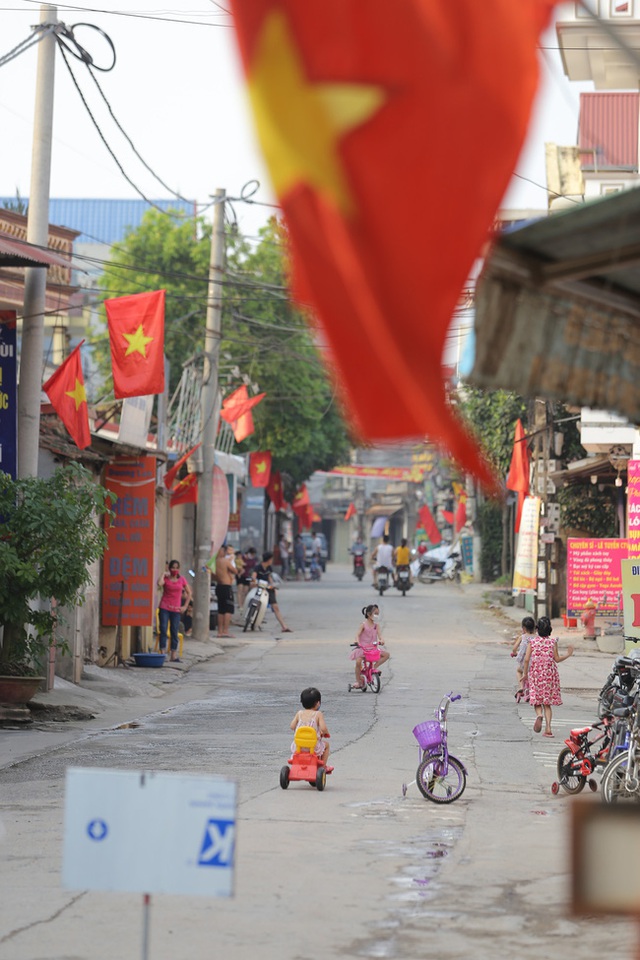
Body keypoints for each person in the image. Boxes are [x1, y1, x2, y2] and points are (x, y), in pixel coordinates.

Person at [523, 615, 574, 737]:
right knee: (547, 703)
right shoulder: (553, 642)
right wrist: (568, 654)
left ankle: (539, 715)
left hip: (536, 673)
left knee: (536, 699)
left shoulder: (533, 642)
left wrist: (525, 674)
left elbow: (526, 659)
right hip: (549, 675)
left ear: (537, 629)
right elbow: (556, 659)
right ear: (550, 630)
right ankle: (548, 729)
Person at [157, 560, 191, 662]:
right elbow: (159, 584)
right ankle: (162, 653)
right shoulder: (166, 579)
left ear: (179, 569)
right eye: (173, 567)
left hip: (176, 609)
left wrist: (185, 606)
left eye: (177, 568)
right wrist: (163, 574)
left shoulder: (182, 580)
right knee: (163, 629)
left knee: (174, 631)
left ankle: (173, 655)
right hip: (164, 607)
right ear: (169, 568)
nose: (175, 570)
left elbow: (189, 593)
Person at [350, 603, 390, 690]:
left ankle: (373, 668)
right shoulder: (363, 625)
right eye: (375, 613)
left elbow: (380, 636)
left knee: (386, 655)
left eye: (378, 614)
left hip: (373, 648)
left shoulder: (377, 626)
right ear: (368, 614)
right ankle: (358, 681)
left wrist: (381, 640)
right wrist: (356, 641)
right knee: (358, 662)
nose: (377, 616)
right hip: (363, 649)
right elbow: (357, 634)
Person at [290, 686, 331, 770]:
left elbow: (292, 726)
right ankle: (322, 767)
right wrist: (326, 732)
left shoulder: (299, 713)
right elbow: (323, 728)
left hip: (298, 746)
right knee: (326, 746)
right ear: (318, 703)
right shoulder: (318, 714)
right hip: (313, 747)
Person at [252, 551, 292, 632]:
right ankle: (254, 620)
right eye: (271, 559)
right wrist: (254, 582)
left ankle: (284, 626)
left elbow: (269, 577)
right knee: (257, 606)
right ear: (269, 559)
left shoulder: (269, 568)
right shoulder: (258, 567)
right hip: (259, 588)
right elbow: (253, 577)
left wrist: (272, 586)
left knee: (275, 607)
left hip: (268, 589)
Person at [214, 544, 237, 639]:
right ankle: (225, 631)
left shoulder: (214, 562)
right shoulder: (225, 561)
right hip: (226, 586)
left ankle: (220, 631)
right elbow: (235, 571)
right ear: (221, 551)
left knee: (221, 609)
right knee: (228, 609)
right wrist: (231, 562)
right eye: (224, 551)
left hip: (219, 586)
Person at [511, 616, 536, 700]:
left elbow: (514, 648)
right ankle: (531, 690)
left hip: (525, 662)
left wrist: (515, 653)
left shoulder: (522, 637)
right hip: (535, 663)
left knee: (519, 671)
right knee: (532, 674)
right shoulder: (537, 637)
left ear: (523, 628)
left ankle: (521, 687)